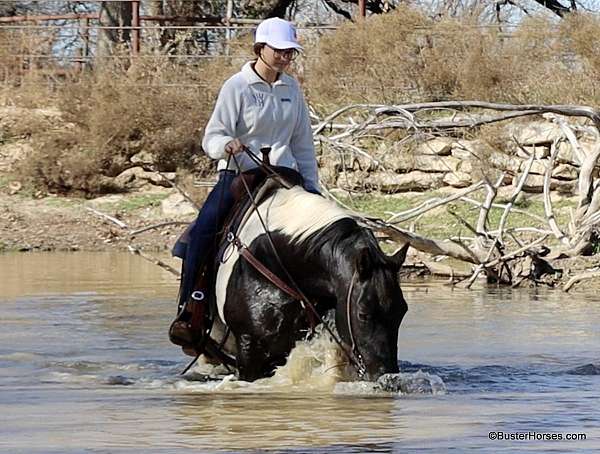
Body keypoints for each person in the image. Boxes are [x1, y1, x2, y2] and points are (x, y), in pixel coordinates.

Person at [171, 17, 320, 347]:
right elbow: (213, 135)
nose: (284, 57)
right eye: (279, 51)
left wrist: (313, 188)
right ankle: (190, 308)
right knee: (204, 230)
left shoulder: (292, 89)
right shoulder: (236, 87)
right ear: (260, 49)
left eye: (289, 52)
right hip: (239, 174)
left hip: (285, 174)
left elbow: (302, 144)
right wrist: (226, 144)